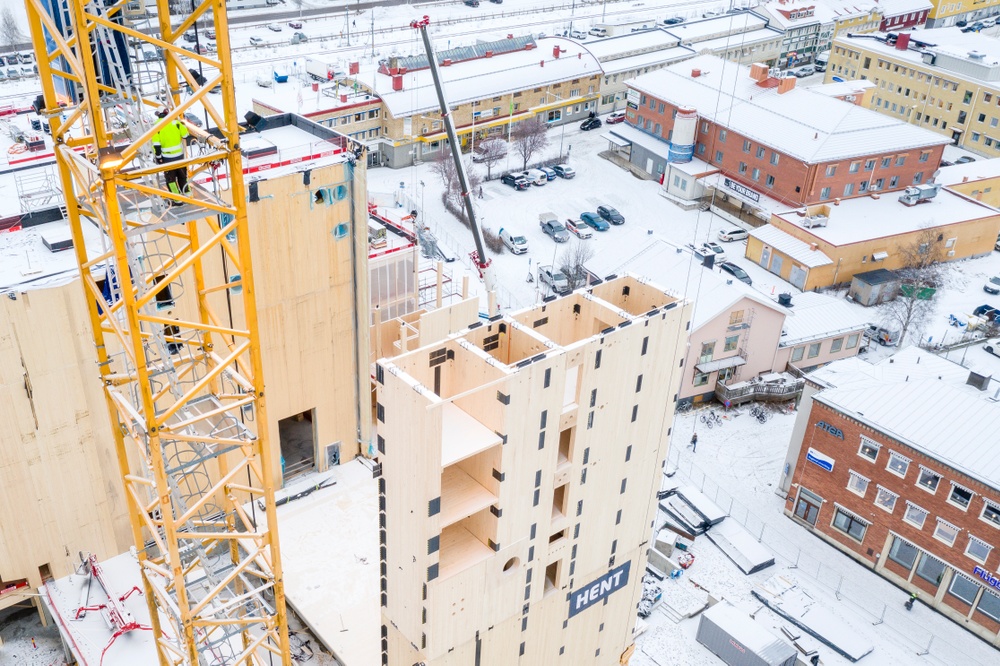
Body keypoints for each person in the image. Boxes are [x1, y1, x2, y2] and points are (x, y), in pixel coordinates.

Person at [152, 107, 190, 206]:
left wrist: (158, 157)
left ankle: (177, 200)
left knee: (171, 179)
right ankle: (188, 194)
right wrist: (183, 125)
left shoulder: (156, 126)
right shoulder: (176, 123)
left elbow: (156, 144)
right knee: (182, 176)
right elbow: (185, 135)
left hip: (167, 158)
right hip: (179, 156)